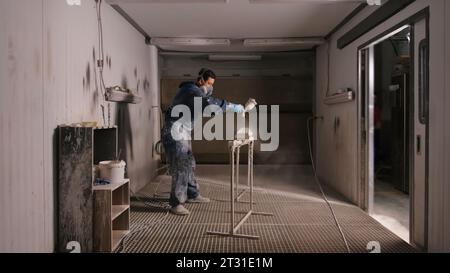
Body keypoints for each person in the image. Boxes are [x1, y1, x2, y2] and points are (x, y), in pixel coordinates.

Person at [161, 68, 244, 215]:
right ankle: (176, 203)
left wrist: (222, 109)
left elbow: (208, 109)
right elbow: (208, 103)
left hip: (183, 131)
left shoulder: (195, 93)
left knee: (190, 163)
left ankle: (192, 194)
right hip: (175, 130)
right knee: (182, 165)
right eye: (209, 83)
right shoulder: (191, 91)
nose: (210, 87)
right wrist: (232, 106)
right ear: (200, 81)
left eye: (212, 84)